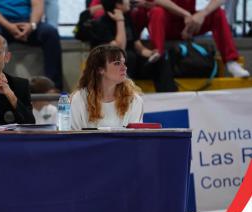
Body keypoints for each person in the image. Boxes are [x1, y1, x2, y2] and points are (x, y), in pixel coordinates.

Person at [115, 0, 249, 77]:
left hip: (188, 23)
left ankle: (231, 62)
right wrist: (186, 14)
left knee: (218, 13)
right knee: (155, 11)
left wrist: (203, 13)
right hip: (164, 23)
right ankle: (158, 56)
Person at [89, 0, 177, 92]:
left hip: (132, 64)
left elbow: (138, 45)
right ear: (118, 4)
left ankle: (168, 96)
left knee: (161, 60)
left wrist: (151, 53)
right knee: (128, 57)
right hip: (115, 67)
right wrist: (120, 21)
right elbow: (119, 50)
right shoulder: (101, 24)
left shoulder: (128, 18)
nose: (129, 1)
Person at [0, 0, 63, 90]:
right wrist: (9, 26)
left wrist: (32, 25)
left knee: (50, 33)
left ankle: (54, 87)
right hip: (0, 24)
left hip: (27, 24)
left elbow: (38, 6)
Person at [71, 45, 143, 129]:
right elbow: (73, 137)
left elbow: (135, 138)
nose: (124, 68)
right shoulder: (79, 99)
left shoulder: (133, 100)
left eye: (124, 63)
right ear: (100, 69)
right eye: (117, 63)